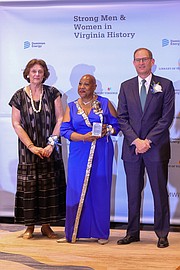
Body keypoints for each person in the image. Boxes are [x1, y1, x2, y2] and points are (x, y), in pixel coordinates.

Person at [117, 48, 175, 248]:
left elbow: (166, 118)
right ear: (133, 63)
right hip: (132, 148)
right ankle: (132, 232)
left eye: (145, 59)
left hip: (156, 147)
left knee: (159, 191)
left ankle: (162, 233)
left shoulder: (165, 85)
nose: (141, 63)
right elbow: (122, 119)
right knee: (133, 192)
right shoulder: (125, 86)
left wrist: (147, 141)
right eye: (137, 60)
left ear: (152, 61)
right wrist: (136, 141)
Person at [58, 74, 120, 244]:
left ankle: (100, 233)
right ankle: (73, 233)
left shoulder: (105, 103)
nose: (82, 87)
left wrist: (107, 130)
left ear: (94, 87)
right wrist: (81, 137)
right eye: (80, 84)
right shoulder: (71, 106)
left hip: (101, 151)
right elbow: (64, 130)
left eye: (86, 84)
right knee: (75, 190)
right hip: (79, 152)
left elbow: (117, 126)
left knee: (99, 190)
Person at [9, 59, 66, 239]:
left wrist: (51, 144)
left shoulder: (53, 93)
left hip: (50, 148)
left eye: (40, 71)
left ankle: (47, 226)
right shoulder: (18, 96)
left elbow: (60, 119)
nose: (36, 74)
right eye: (33, 71)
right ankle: (29, 227)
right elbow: (16, 124)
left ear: (44, 74)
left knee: (49, 186)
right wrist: (32, 147)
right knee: (29, 187)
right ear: (27, 73)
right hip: (28, 150)